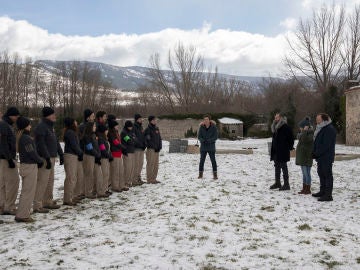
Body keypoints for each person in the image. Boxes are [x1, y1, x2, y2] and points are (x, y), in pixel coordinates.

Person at [34, 106, 64, 212]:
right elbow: (41, 145)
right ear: (48, 116)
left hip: (51, 157)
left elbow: (55, 142)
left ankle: (47, 201)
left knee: (50, 181)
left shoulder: (50, 127)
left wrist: (61, 154)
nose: (55, 116)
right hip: (44, 158)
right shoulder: (41, 127)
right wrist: (46, 158)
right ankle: (37, 205)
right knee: (42, 181)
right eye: (53, 114)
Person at [15, 117, 43, 222]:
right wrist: (40, 160)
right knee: (28, 192)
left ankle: (22, 213)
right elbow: (31, 153)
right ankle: (22, 215)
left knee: (26, 191)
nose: (30, 126)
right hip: (29, 166)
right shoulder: (26, 138)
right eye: (29, 124)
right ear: (25, 126)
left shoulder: (23, 137)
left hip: (26, 166)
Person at [0, 107, 20, 215]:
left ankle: (2, 205)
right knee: (13, 182)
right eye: (16, 116)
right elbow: (3, 144)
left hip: (4, 158)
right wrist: (9, 159)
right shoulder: (4, 125)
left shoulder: (6, 125)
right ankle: (10, 207)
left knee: (3, 183)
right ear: (11, 115)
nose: (17, 118)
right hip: (6, 159)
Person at [312, 113, 337, 202]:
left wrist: (316, 153)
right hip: (321, 157)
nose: (316, 121)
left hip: (326, 157)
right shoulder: (321, 128)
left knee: (327, 175)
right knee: (321, 173)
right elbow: (318, 142)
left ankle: (328, 195)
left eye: (318, 119)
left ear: (323, 120)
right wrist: (314, 152)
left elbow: (325, 145)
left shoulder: (329, 129)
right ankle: (322, 191)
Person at [270, 113, 294, 191]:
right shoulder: (275, 127)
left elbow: (291, 138)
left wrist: (289, 147)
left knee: (284, 167)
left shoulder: (285, 127)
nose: (275, 119)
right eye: (275, 117)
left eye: (277, 117)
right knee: (277, 166)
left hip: (283, 150)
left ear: (281, 118)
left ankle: (286, 184)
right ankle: (277, 183)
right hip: (276, 151)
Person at [75, 109, 95, 200]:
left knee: (86, 173)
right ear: (87, 117)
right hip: (87, 153)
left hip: (87, 152)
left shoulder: (88, 125)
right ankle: (87, 192)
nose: (93, 117)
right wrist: (91, 150)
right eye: (92, 116)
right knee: (88, 173)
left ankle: (83, 191)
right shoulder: (85, 126)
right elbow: (86, 140)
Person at [63, 117, 83, 206]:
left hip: (73, 155)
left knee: (73, 177)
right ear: (72, 123)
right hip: (70, 156)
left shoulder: (72, 132)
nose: (76, 122)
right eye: (75, 121)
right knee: (71, 178)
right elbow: (74, 145)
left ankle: (72, 196)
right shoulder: (70, 133)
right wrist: (80, 153)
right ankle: (67, 199)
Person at [82, 121, 101, 199]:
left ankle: (91, 190)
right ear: (90, 127)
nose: (95, 127)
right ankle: (87, 192)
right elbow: (89, 148)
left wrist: (98, 154)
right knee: (88, 174)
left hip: (93, 156)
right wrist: (96, 154)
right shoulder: (87, 136)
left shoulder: (93, 135)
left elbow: (96, 146)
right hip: (88, 156)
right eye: (94, 126)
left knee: (91, 174)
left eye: (95, 126)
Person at [108, 119, 128, 192]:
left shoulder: (116, 132)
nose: (118, 126)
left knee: (120, 170)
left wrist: (122, 148)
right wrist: (123, 148)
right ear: (113, 126)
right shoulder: (111, 133)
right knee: (115, 171)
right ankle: (115, 186)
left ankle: (121, 185)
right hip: (115, 153)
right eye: (116, 125)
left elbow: (119, 141)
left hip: (119, 153)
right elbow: (115, 142)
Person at [295, 117, 314, 195]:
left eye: (301, 127)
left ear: (305, 126)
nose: (299, 128)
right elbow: (300, 138)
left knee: (307, 173)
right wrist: (304, 132)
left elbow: (305, 140)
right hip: (302, 156)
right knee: (304, 173)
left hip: (307, 156)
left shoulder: (310, 133)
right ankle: (304, 188)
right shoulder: (303, 133)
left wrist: (305, 131)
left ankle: (308, 189)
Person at [197, 114, 218, 180]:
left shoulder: (214, 127)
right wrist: (202, 140)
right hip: (203, 147)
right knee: (201, 161)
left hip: (211, 147)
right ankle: (200, 175)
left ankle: (215, 175)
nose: (206, 121)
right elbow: (199, 136)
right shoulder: (201, 127)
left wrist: (209, 140)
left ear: (209, 120)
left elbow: (215, 137)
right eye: (204, 119)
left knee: (213, 161)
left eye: (207, 119)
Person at [144, 116, 162, 184]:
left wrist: (159, 147)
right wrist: (154, 147)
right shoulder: (148, 130)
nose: (155, 121)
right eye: (154, 120)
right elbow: (148, 140)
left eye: (155, 120)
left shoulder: (157, 128)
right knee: (150, 164)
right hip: (151, 149)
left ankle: (154, 178)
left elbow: (159, 138)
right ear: (150, 121)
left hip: (157, 149)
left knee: (155, 165)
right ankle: (149, 179)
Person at [96, 124, 112, 197]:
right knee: (104, 174)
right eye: (106, 130)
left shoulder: (105, 138)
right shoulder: (101, 139)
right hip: (103, 158)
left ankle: (105, 189)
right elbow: (103, 149)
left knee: (107, 174)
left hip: (106, 158)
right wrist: (108, 156)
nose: (107, 131)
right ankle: (102, 191)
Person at [121, 120, 136, 187]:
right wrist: (133, 140)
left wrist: (133, 140)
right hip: (127, 152)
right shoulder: (124, 133)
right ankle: (126, 182)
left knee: (132, 167)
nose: (131, 128)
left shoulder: (131, 132)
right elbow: (129, 141)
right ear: (127, 126)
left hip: (132, 151)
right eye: (130, 127)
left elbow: (135, 140)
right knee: (127, 168)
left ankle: (130, 181)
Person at [133, 113, 146, 185]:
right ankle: (134, 180)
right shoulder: (134, 127)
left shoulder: (141, 127)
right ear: (137, 119)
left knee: (141, 164)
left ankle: (138, 178)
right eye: (140, 119)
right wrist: (140, 144)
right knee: (136, 164)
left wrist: (144, 144)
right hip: (136, 148)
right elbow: (134, 138)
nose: (141, 120)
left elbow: (143, 137)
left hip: (141, 148)